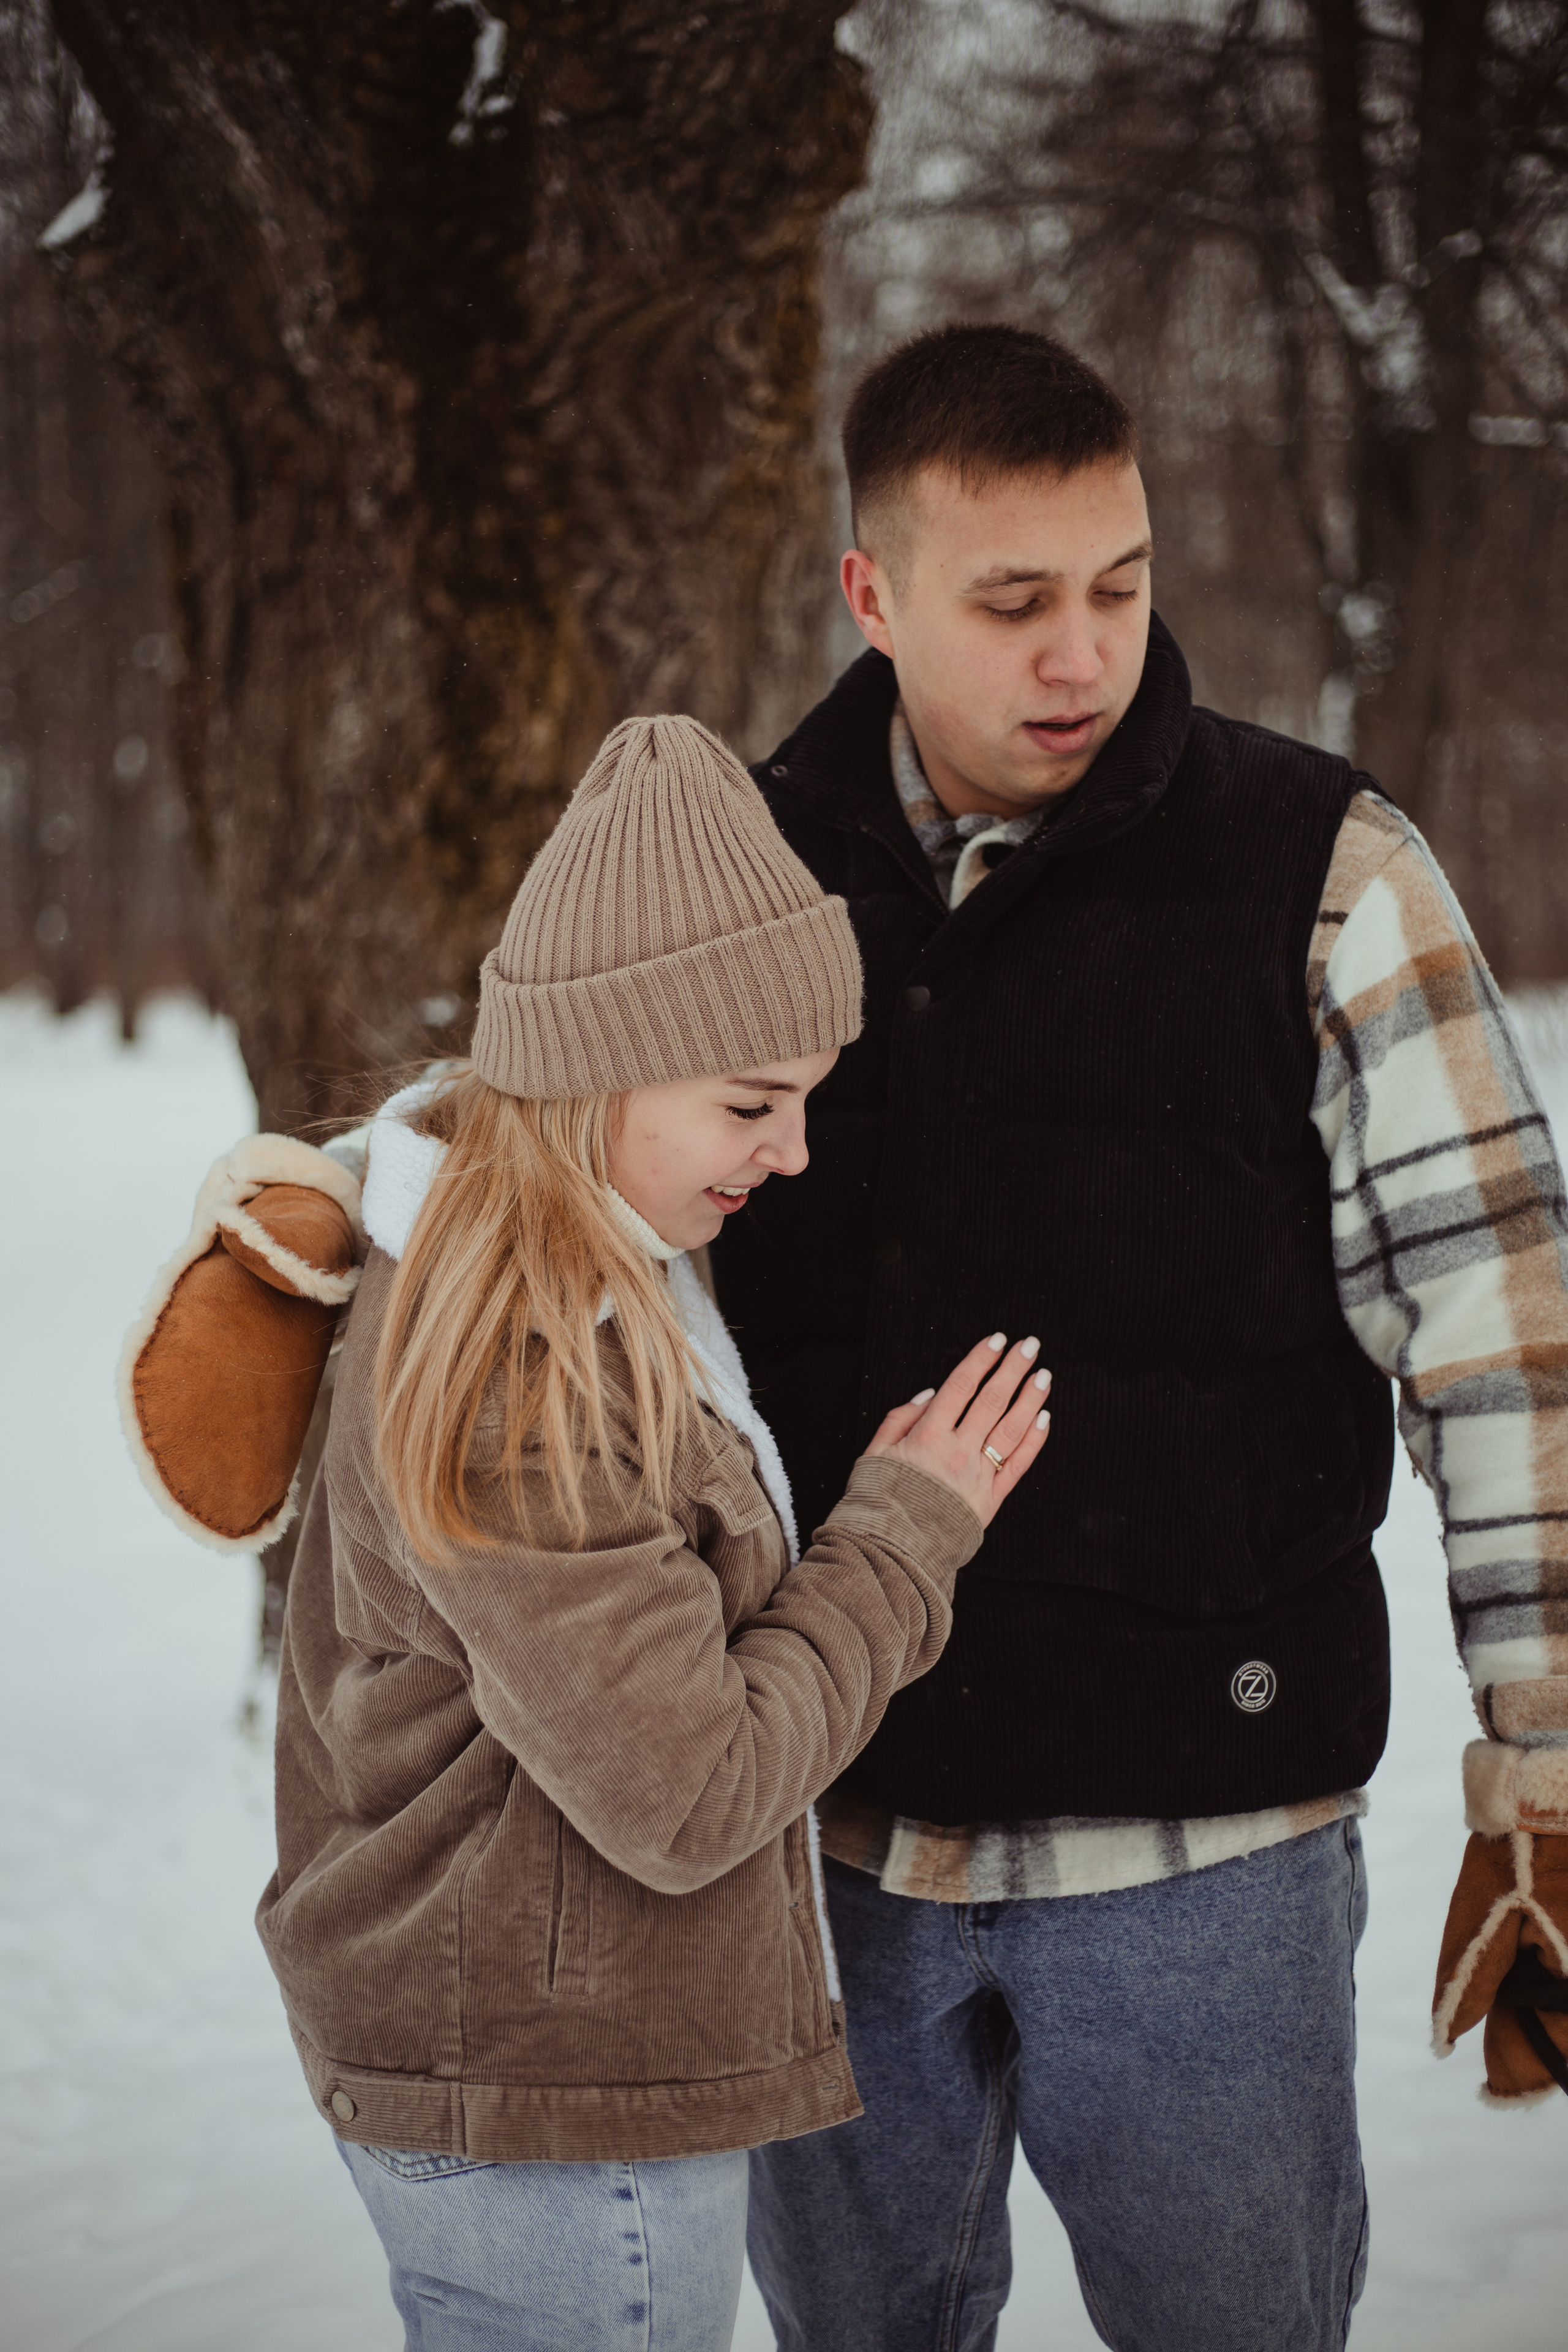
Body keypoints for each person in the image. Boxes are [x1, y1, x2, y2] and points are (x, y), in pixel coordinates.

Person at [712, 324, 1568, 2352]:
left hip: (1212, 1852)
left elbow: (1508, 1335)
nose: (1082, 654)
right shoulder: (739, 877)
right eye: (1013, 604)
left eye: (1122, 584)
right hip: (823, 1844)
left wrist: (1547, 1758)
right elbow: (537, 1207)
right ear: (873, 594)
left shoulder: (1329, 872)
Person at [119, 710, 1051, 2351]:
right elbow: (685, 1793)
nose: (797, 1149)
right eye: (754, 1102)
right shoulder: (529, 1361)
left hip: (513, 2064)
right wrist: (907, 1537)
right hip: (556, 2108)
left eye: (813, 1096)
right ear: (600, 1072)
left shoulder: (561, 1237)